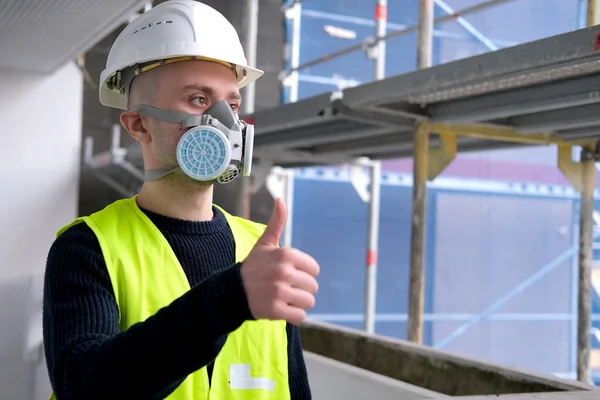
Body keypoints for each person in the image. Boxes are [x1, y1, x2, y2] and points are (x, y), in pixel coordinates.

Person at [42, 1, 319, 399]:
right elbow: (82, 386)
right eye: (199, 100)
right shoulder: (88, 248)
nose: (227, 122)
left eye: (233, 104)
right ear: (139, 124)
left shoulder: (259, 253)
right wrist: (230, 299)